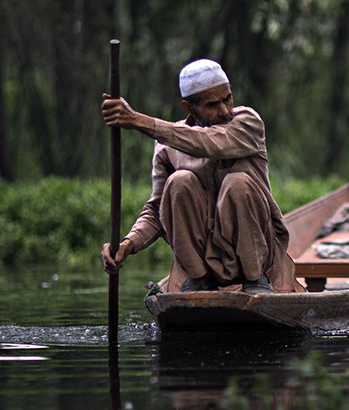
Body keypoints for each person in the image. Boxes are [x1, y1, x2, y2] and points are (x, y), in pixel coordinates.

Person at [100, 58, 299, 295]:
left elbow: (209, 142)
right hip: (203, 265)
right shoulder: (167, 146)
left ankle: (254, 280)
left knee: (238, 183)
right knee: (179, 182)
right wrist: (127, 244)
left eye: (227, 99)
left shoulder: (247, 123)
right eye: (212, 105)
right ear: (189, 108)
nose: (224, 110)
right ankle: (201, 279)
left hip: (257, 259)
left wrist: (137, 121)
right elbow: (156, 210)